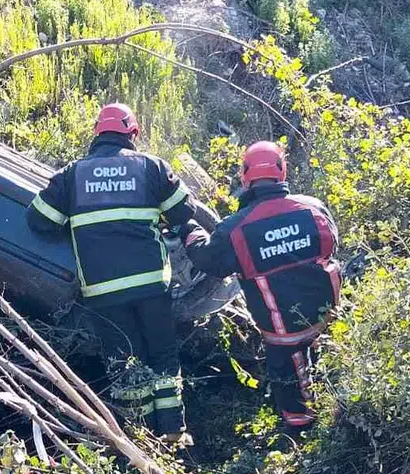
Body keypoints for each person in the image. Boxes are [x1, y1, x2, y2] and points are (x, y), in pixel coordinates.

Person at [25, 103, 206, 446]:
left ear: (97, 134)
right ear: (133, 133)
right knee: (162, 353)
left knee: (125, 361)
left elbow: (38, 221)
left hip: (103, 290)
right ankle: (172, 431)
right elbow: (184, 211)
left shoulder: (72, 175)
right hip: (152, 282)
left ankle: (138, 440)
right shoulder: (151, 167)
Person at [185, 141, 341, 430]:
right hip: (328, 313)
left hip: (283, 327)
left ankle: (300, 428)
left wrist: (191, 231)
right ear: (282, 172)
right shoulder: (314, 207)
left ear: (246, 176)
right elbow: (333, 244)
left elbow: (210, 262)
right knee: (319, 356)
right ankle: (331, 405)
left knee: (287, 372)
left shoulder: (236, 228)